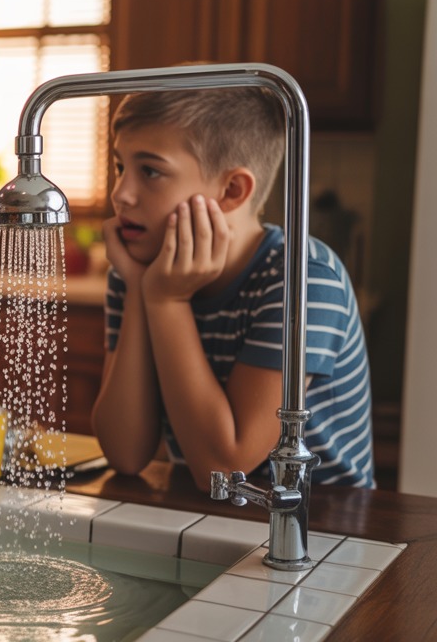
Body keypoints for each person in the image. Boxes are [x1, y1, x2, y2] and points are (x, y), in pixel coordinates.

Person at [91, 85, 374, 489]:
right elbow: (125, 453)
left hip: (324, 528)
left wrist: (167, 301)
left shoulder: (303, 277)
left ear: (232, 191)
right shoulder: (139, 271)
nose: (121, 194)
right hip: (213, 514)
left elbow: (223, 469)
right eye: (121, 167)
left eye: (150, 171)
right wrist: (140, 291)